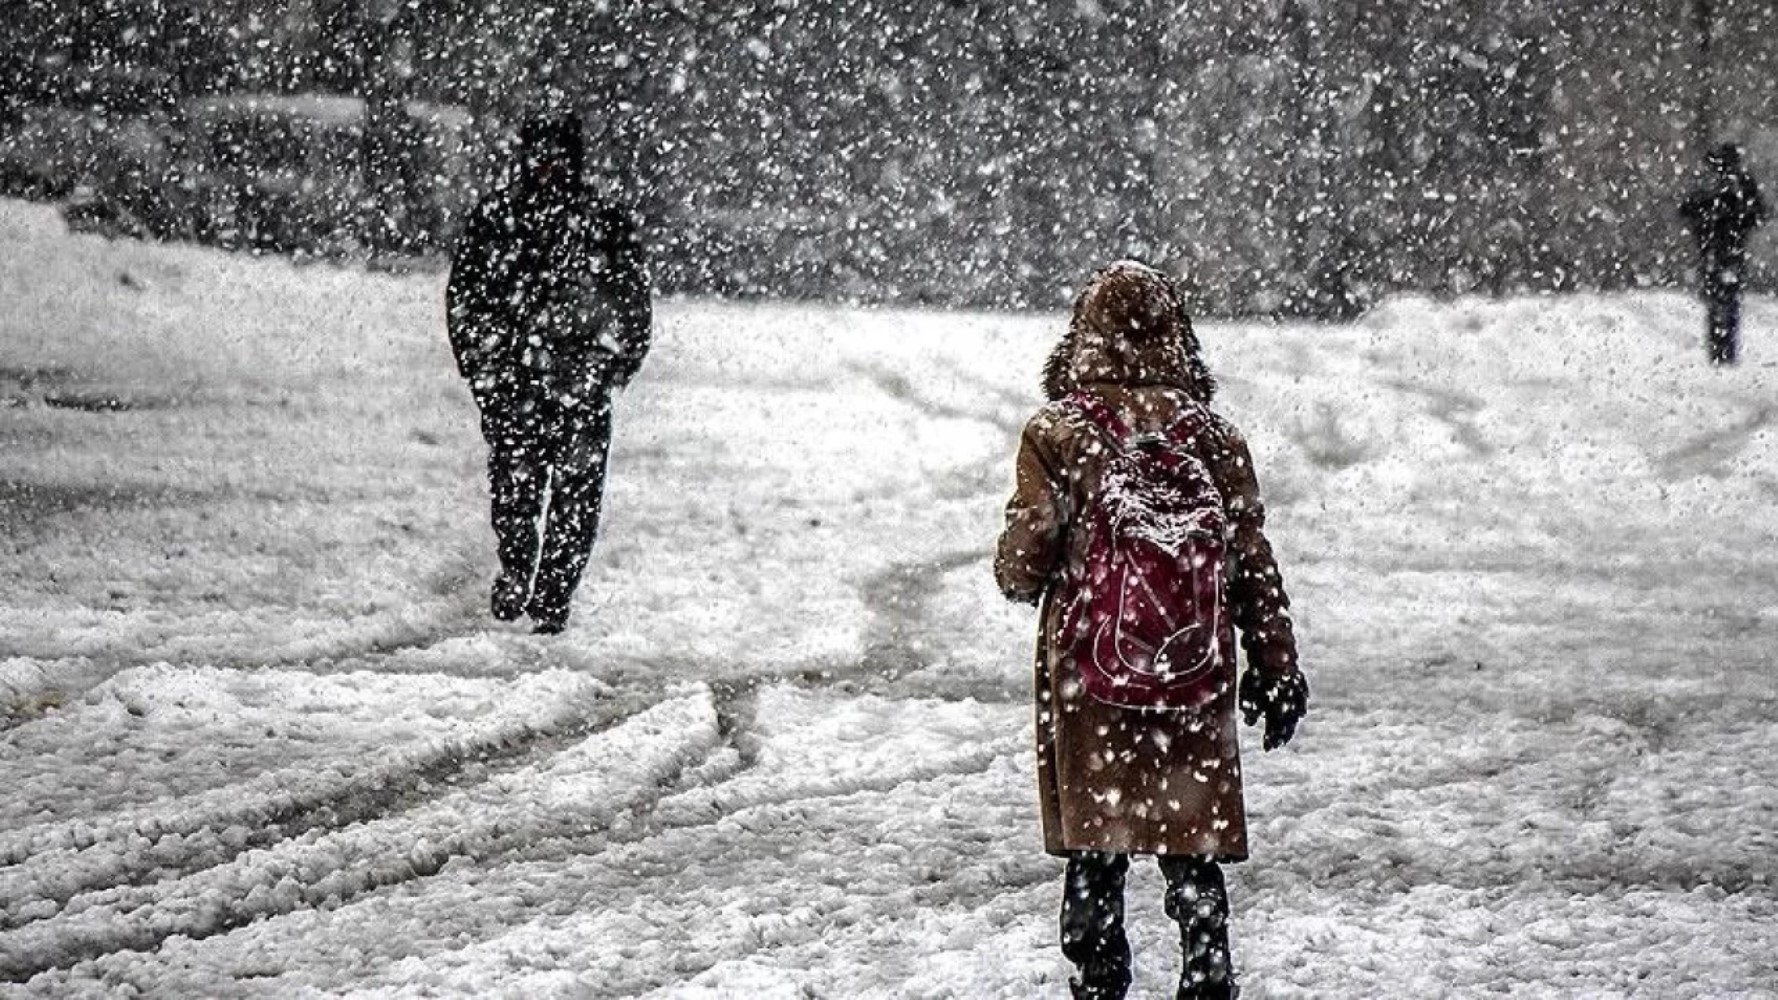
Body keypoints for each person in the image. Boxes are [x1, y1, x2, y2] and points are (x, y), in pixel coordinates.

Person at [995, 262, 1307, 1000]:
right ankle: (1206, 969)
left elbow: (1026, 558)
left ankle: (1099, 976)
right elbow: (1251, 563)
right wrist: (1276, 663)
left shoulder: (1058, 433)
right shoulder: (1214, 439)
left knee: (1096, 844)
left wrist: (1023, 568)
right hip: (1192, 676)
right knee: (1187, 838)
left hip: (1090, 672)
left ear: (1081, 339)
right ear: (1180, 339)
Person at [446, 111, 651, 634]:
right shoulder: (498, 220)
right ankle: (517, 569)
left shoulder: (602, 224)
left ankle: (553, 596)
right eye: (541, 156)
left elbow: (632, 306)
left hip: (578, 384)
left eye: (559, 157)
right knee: (515, 489)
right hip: (515, 383)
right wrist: (484, 368)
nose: (549, 167)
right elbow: (465, 300)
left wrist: (609, 368)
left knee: (575, 501)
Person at [1680, 143, 1767, 365]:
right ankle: (1720, 349)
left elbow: (1758, 213)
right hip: (1719, 248)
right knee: (1721, 299)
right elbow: (1687, 209)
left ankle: (1723, 349)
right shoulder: (1718, 184)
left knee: (1724, 299)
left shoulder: (1738, 184)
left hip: (1725, 248)